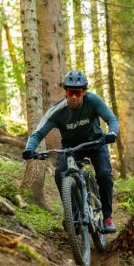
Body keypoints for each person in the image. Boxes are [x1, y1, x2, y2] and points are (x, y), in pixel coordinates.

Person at [22, 70, 119, 233]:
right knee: (60, 174)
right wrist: (29, 149)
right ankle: (72, 214)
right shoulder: (57, 111)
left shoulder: (93, 101)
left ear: (84, 92)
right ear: (65, 92)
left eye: (77, 92)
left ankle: (107, 218)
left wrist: (111, 133)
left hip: (97, 142)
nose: (74, 97)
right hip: (72, 147)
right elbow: (38, 133)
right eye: (70, 92)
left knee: (104, 175)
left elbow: (111, 119)